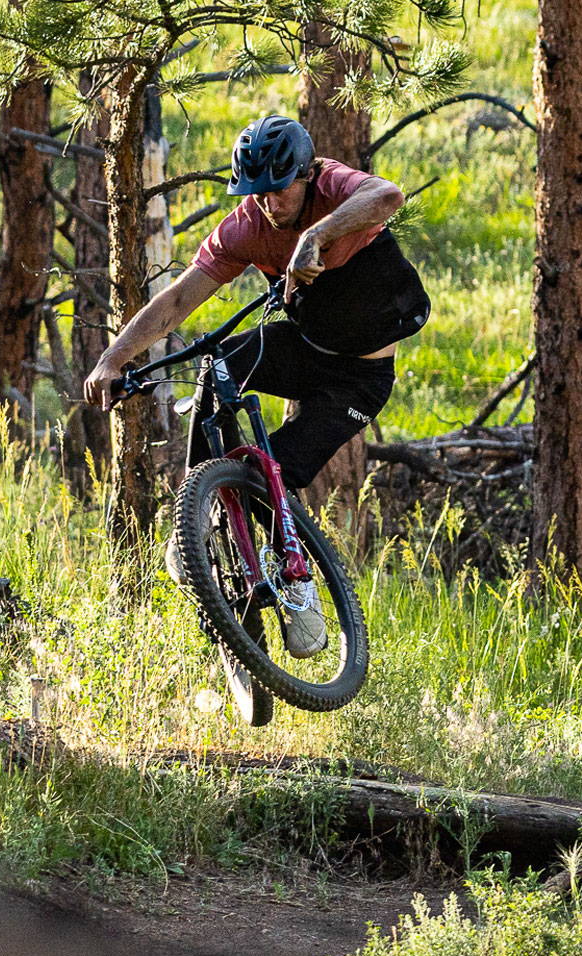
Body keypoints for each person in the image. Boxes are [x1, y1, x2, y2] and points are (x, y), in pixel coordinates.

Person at [83, 112, 430, 650]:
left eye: (280, 190)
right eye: (258, 193)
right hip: (303, 351)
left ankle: (300, 591)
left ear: (308, 173)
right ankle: (193, 518)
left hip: (358, 379)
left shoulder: (334, 184)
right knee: (215, 363)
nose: (270, 204)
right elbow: (178, 300)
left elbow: (388, 196)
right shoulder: (246, 226)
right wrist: (113, 357)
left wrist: (317, 233)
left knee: (277, 474)